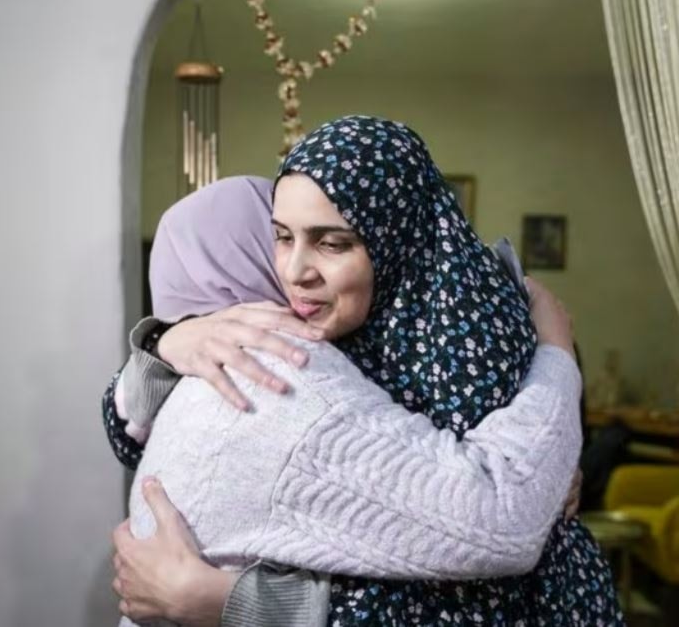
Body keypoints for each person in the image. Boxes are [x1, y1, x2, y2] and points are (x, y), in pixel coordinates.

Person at [109, 117, 622, 625]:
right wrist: (167, 339)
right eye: (280, 237)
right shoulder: (272, 361)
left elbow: (494, 551)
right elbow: (131, 435)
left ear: (389, 241)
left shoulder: (464, 343)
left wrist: (545, 456)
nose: (293, 271)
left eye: (333, 242)